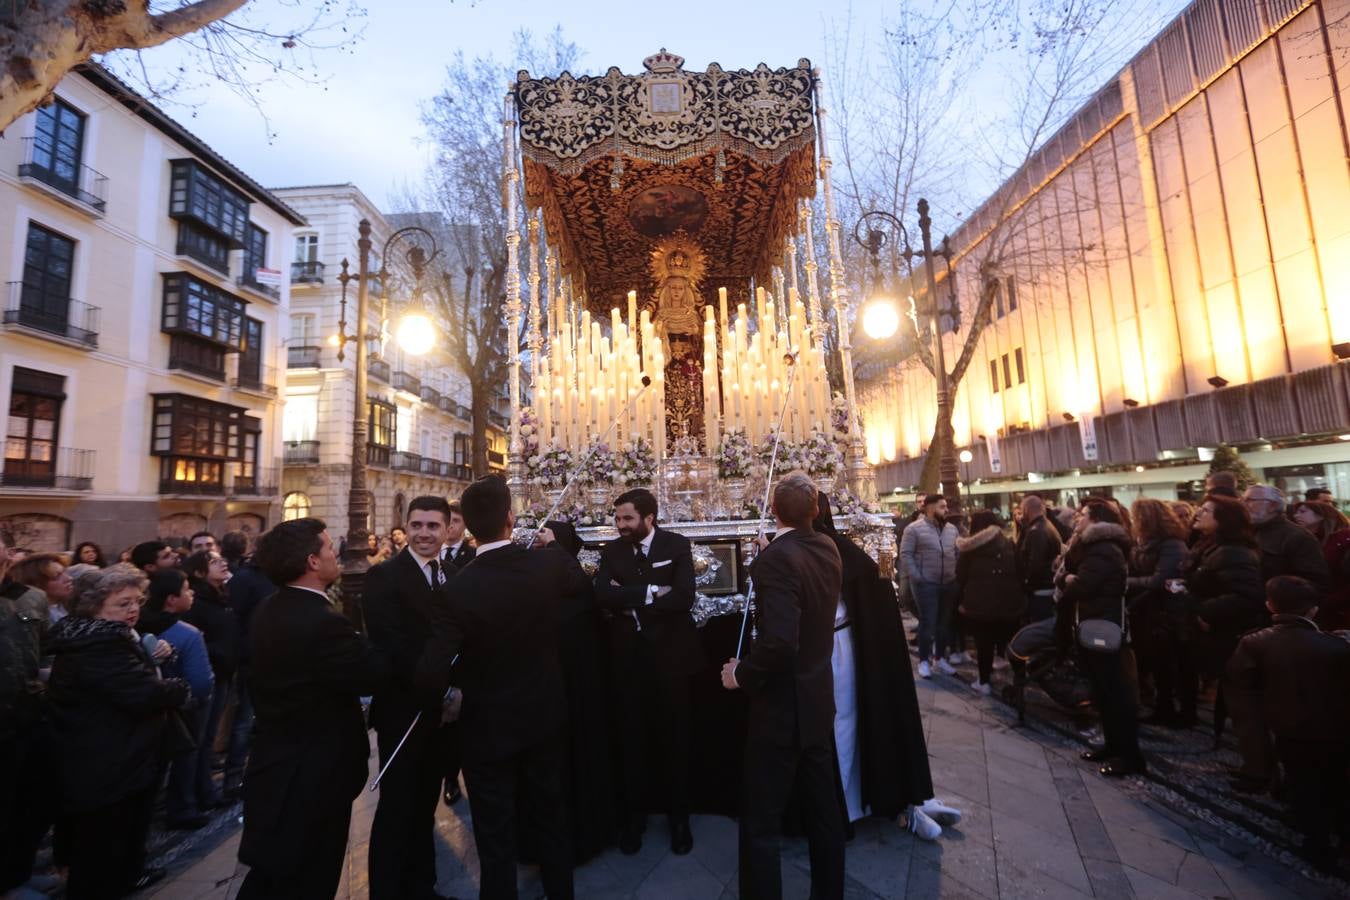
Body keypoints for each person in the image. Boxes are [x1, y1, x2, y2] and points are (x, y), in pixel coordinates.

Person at [417, 476, 580, 900]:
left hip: (486, 724)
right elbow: (578, 583)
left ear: (467, 527)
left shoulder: (457, 589)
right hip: (544, 714)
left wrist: (447, 699)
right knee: (551, 811)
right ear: (510, 518)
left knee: (493, 827)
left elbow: (432, 668)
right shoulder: (545, 566)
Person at [237, 518, 389, 900]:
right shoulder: (321, 622)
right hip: (314, 775)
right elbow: (371, 674)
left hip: (279, 765)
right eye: (326, 547)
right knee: (309, 877)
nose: (334, 552)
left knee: (275, 873)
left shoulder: (270, 608)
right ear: (311, 561)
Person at [721, 473, 844, 900]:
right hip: (816, 699)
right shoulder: (826, 546)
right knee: (823, 811)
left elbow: (778, 643)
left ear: (773, 512)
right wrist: (773, 553)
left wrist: (740, 673)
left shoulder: (776, 560)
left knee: (761, 819)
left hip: (781, 707)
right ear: (815, 510)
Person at [813, 495, 960, 842]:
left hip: (837, 650)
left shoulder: (822, 551)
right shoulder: (846, 552)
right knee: (844, 724)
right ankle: (888, 803)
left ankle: (904, 802)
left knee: (844, 725)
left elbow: (880, 581)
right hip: (838, 648)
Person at [48, 564, 187, 898]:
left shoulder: (104, 636)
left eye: (137, 601)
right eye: (123, 604)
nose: (134, 609)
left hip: (115, 758)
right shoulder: (100, 644)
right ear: (94, 607)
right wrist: (177, 688)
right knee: (101, 853)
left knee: (117, 844)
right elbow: (141, 692)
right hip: (106, 762)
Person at [593, 487, 700, 855]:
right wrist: (654, 592)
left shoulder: (675, 545)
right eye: (618, 518)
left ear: (648, 518)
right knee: (631, 742)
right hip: (627, 664)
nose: (620, 525)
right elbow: (602, 595)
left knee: (676, 741)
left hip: (670, 662)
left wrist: (632, 600)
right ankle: (633, 820)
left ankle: (679, 820)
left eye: (627, 519)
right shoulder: (612, 551)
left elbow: (685, 596)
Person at [363, 496, 457, 900]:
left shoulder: (452, 573)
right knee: (397, 809)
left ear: (448, 528)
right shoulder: (384, 576)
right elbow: (392, 646)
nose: (423, 533)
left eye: (432, 526)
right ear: (405, 525)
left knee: (424, 807)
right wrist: (444, 690)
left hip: (442, 717)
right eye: (416, 525)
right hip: (405, 711)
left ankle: (423, 887)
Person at [1226, 576, 1350, 870]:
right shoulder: (1336, 646)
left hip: (1290, 728)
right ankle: (1341, 835)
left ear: (1269, 605)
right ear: (1314, 610)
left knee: (1304, 784)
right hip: (1334, 728)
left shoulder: (1256, 641)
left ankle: (1317, 844)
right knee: (1335, 781)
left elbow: (1241, 686)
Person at [1180, 496, 1266, 788]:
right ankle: (1254, 765)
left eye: (1206, 511)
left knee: (1244, 704)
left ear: (1223, 519)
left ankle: (1259, 771)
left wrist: (1205, 612)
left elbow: (1246, 596)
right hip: (1215, 635)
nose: (1198, 513)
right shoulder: (1210, 546)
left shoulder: (1234, 552)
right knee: (1233, 700)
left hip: (1229, 637)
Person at [1056, 499, 1145, 777]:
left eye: (1083, 515)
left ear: (1096, 519)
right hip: (1093, 626)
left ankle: (1129, 756)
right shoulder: (1093, 547)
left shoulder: (1103, 550)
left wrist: (1068, 580)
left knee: (1117, 695)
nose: (1077, 519)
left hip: (1104, 629)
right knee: (1104, 693)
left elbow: (1081, 586)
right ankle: (1112, 746)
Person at [0, 527, 56, 900]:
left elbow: (49, 649)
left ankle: (15, 873)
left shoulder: (32, 599)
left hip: (29, 716)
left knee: (31, 801)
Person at [141, 569, 216, 830]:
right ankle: (184, 807)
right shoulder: (187, 633)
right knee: (187, 754)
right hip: (186, 705)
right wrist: (199, 696)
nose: (191, 592)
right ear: (171, 599)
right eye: (186, 589)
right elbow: (201, 681)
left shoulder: (139, 627)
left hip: (153, 706)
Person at [1124, 499, 1191, 727]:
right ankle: (1161, 705)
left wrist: (1127, 582)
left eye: (1136, 516)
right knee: (1154, 661)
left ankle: (1172, 710)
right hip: (1145, 611)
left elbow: (1159, 581)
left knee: (1167, 664)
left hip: (1165, 612)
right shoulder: (1141, 543)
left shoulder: (1172, 545)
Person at [183, 550, 240, 810]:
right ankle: (190, 797)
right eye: (214, 562)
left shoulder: (222, 596)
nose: (223, 563)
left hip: (224, 671)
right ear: (199, 573)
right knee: (199, 738)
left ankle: (205, 790)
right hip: (209, 673)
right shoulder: (198, 602)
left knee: (207, 738)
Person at [222, 549, 276, 799]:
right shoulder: (245, 579)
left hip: (276, 656)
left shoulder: (276, 577)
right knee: (244, 720)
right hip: (252, 659)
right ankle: (234, 777)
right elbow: (235, 619)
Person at [956, 510, 1023, 694]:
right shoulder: (1009, 544)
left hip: (980, 606)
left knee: (983, 644)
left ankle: (984, 681)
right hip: (1010, 603)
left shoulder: (970, 549)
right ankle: (1020, 681)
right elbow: (1020, 570)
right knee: (1012, 642)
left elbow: (960, 576)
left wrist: (962, 600)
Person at [899, 493, 959, 679]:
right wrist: (918, 577)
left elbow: (956, 553)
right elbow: (906, 554)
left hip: (948, 582)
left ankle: (939, 657)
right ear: (930, 508)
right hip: (926, 584)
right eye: (942, 506)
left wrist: (954, 572)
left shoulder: (951, 529)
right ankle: (924, 661)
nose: (946, 510)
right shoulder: (914, 529)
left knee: (944, 623)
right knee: (928, 622)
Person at [1243, 484, 1329, 588]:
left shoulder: (1297, 536)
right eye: (1243, 500)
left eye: (1250, 500)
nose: (1243, 504)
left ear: (1272, 506)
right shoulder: (1246, 532)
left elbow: (1314, 582)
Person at [1290, 500, 1350, 631]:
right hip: (1321, 608)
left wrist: (1330, 601)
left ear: (1322, 515)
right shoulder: (1305, 540)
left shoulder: (1344, 538)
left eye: (1303, 512)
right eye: (1296, 512)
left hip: (1341, 607)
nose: (1296, 516)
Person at [1016, 496, 1062, 623]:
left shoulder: (1036, 532)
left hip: (1040, 592)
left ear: (1026, 510)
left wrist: (1027, 586)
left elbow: (1035, 565)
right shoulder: (1047, 526)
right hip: (1048, 587)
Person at [10, 552, 75, 627]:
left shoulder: (63, 607)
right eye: (57, 576)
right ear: (37, 583)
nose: (69, 578)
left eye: (65, 572)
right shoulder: (32, 619)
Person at [442, 499, 475, 570]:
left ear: (465, 524)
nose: (450, 525)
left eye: (456, 521)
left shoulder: (474, 555)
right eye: (447, 519)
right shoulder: (430, 551)